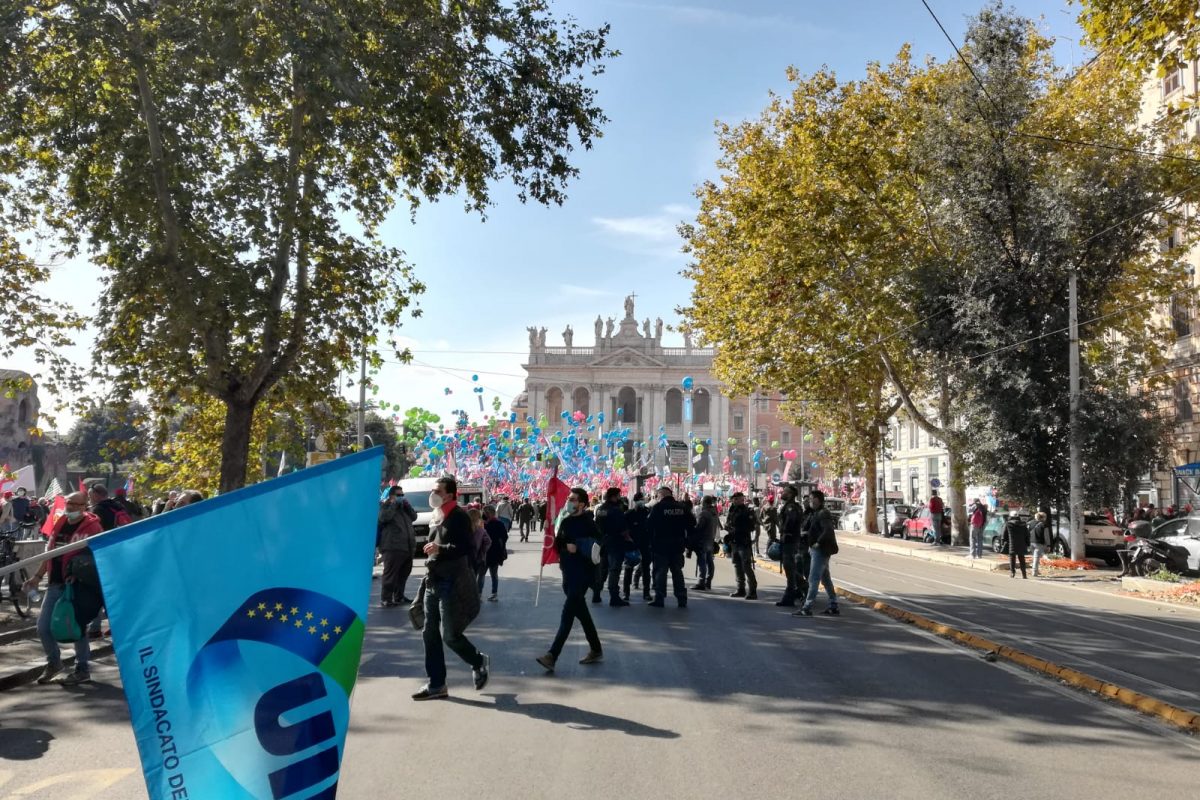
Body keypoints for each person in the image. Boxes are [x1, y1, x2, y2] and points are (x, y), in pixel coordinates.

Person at [412, 476, 488, 701]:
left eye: (438, 490)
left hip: (450, 582)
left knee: (450, 635)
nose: (433, 494)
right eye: (433, 489)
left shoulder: (459, 516)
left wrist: (439, 547)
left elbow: (465, 548)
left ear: (450, 494)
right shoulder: (436, 515)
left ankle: (478, 661)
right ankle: (437, 684)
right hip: (433, 580)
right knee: (429, 633)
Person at [22, 492, 103, 685]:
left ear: (85, 506)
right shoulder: (60, 523)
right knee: (43, 628)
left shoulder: (93, 528)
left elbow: (96, 557)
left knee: (76, 627)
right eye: (69, 503)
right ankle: (54, 663)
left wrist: (81, 573)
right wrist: (37, 576)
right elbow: (50, 554)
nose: (71, 507)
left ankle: (82, 669)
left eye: (76, 504)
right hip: (54, 583)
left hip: (77, 587)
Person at [536, 487, 603, 671]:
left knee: (567, 615)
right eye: (569, 498)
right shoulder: (565, 522)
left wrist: (579, 546)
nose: (569, 501)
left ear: (581, 503)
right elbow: (558, 545)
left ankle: (552, 655)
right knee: (582, 614)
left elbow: (599, 547)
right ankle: (596, 649)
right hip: (567, 573)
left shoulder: (589, 523)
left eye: (573, 499)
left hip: (582, 576)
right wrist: (549, 532)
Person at [646, 485, 693, 608]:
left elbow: (649, 526)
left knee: (660, 572)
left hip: (661, 545)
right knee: (677, 572)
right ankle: (682, 598)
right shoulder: (682, 507)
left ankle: (659, 598)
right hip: (678, 545)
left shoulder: (658, 507)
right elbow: (692, 524)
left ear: (661, 495)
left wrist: (650, 543)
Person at [795, 490, 839, 617]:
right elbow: (817, 529)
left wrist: (817, 543)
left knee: (813, 579)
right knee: (825, 579)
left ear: (818, 499)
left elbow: (828, 530)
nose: (809, 501)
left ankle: (807, 607)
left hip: (820, 550)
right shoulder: (816, 513)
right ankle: (833, 604)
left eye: (811, 498)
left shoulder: (823, 513)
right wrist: (807, 534)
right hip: (818, 550)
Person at [377, 486, 417, 607]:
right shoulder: (386, 506)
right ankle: (386, 598)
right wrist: (393, 504)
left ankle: (399, 596)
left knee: (404, 573)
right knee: (390, 574)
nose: (401, 497)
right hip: (393, 546)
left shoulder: (404, 507)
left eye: (402, 495)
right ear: (391, 495)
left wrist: (407, 505)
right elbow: (384, 518)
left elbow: (414, 517)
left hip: (407, 547)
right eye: (398, 495)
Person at [595, 487, 632, 607]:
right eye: (618, 495)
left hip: (603, 543)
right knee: (614, 570)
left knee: (602, 569)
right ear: (613, 496)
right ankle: (614, 597)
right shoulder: (616, 510)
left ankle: (596, 593)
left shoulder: (600, 509)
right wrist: (629, 539)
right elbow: (622, 528)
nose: (620, 497)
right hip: (615, 543)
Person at [775, 485, 806, 607]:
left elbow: (790, 522)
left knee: (789, 568)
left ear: (791, 494)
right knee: (790, 568)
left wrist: (786, 533)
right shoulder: (789, 506)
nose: (783, 493)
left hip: (790, 540)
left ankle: (791, 595)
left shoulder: (791, 507)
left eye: (785, 492)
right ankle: (799, 589)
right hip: (789, 540)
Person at [724, 492, 758, 600]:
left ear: (740, 499)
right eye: (734, 499)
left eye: (736, 499)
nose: (734, 501)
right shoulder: (732, 510)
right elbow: (729, 522)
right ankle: (741, 589)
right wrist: (728, 527)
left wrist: (738, 530)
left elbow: (752, 526)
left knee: (746, 567)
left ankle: (752, 591)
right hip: (734, 542)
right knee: (737, 566)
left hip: (743, 542)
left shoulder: (747, 511)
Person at [624, 492, 652, 601]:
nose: (642, 501)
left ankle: (646, 593)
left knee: (646, 569)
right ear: (635, 501)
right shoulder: (629, 514)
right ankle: (626, 593)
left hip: (645, 544)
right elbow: (624, 529)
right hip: (632, 544)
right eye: (640, 499)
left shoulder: (648, 512)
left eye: (643, 499)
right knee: (628, 568)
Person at [691, 496, 719, 591]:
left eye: (702, 502)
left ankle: (701, 582)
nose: (701, 503)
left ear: (705, 503)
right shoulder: (714, 513)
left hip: (703, 540)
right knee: (709, 562)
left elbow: (699, 527)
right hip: (711, 539)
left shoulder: (704, 513)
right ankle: (708, 581)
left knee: (702, 562)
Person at [482, 505, 508, 601]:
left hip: (485, 552)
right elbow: (505, 537)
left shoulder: (483, 524)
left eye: (484, 512)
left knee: (481, 574)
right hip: (495, 552)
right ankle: (494, 593)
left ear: (487, 513)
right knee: (493, 574)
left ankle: (479, 593)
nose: (482, 514)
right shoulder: (499, 524)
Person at [467, 508, 492, 596]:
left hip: (466, 558)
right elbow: (488, 542)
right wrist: (483, 551)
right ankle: (478, 594)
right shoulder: (481, 530)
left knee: (467, 578)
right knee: (478, 576)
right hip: (479, 558)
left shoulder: (464, 530)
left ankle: (469, 594)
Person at [1001, 510, 1030, 579]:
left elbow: (1004, 535)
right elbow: (1027, 535)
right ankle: (1024, 574)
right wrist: (1027, 543)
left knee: (1012, 558)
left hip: (1012, 543)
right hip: (1021, 543)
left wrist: (1003, 542)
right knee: (1022, 558)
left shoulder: (1008, 524)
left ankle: (1012, 573)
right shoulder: (1023, 524)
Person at [1029, 511, 1051, 577]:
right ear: (1043, 518)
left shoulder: (1031, 523)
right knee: (1036, 558)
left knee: (1035, 557)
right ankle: (1034, 572)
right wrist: (1048, 545)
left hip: (1031, 542)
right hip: (1038, 543)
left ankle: (1036, 571)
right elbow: (1046, 536)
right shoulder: (1043, 525)